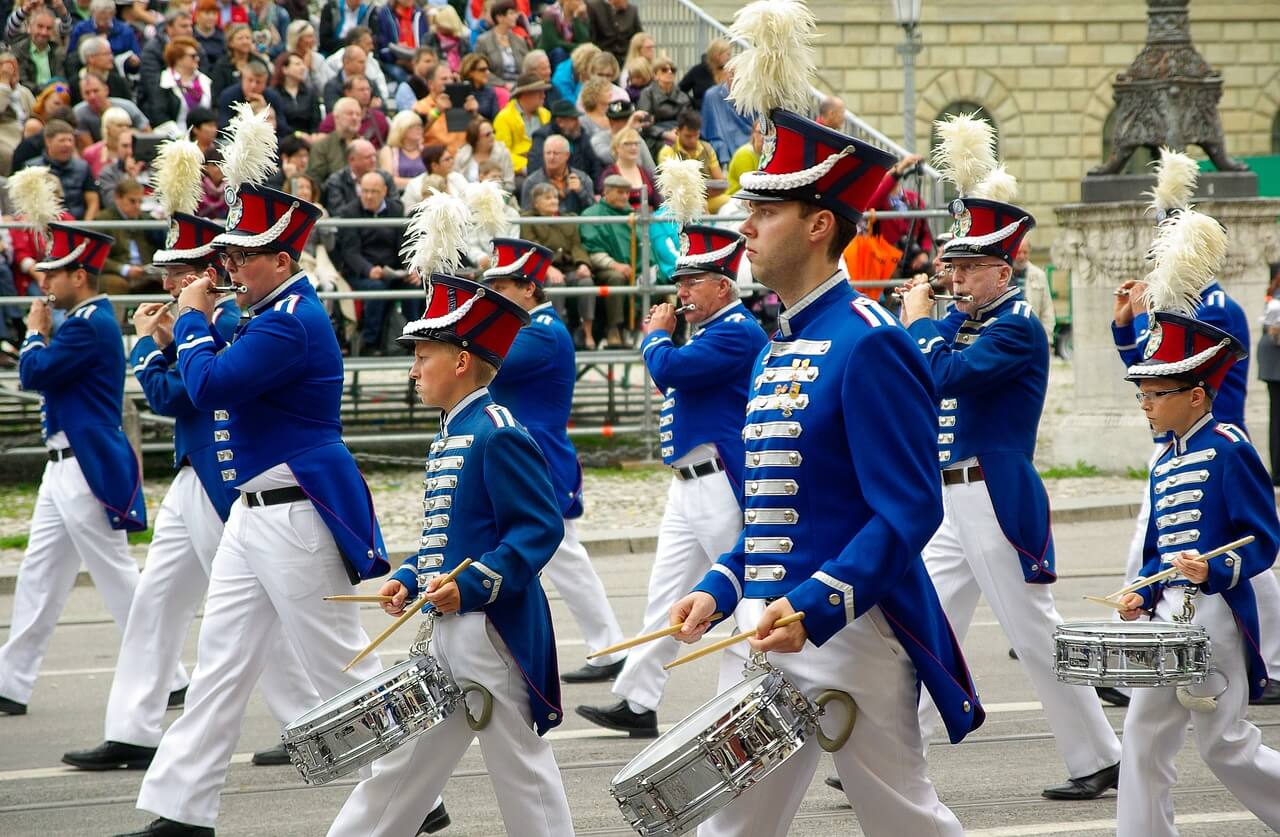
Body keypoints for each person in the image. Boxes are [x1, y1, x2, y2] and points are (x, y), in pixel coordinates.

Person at [667, 6, 984, 829]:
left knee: (905, 819)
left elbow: (909, 507)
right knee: (727, 824)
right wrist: (721, 581)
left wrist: (818, 600)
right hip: (765, 623)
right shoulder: (780, 341)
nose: (746, 226)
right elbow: (782, 506)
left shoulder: (870, 342)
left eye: (763, 212)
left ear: (817, 223)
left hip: (846, 631)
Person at [115, 106, 428, 837]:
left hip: (292, 511)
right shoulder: (269, 313)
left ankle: (417, 786)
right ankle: (181, 810)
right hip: (254, 514)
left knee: (338, 669)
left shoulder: (293, 319)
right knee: (219, 665)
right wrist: (191, 327)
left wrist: (189, 322)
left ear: (282, 261)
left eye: (242, 257)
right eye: (226, 256)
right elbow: (217, 367)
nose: (227, 267)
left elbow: (211, 387)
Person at [898, 122, 1122, 800]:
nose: (956, 278)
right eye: (953, 267)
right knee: (923, 624)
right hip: (952, 498)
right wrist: (933, 321)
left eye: (969, 269)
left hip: (993, 495)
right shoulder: (972, 322)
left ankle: (1097, 754)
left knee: (1034, 634)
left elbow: (942, 377)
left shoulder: (1018, 324)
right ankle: (897, 753)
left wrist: (919, 322)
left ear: (1004, 268)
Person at [61, 188, 317, 772]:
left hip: (219, 473)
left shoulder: (225, 316)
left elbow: (186, 395)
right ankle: (133, 726)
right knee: (158, 602)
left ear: (206, 272)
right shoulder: (206, 316)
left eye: (178, 273)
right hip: (193, 473)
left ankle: (305, 720)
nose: (168, 285)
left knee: (251, 611)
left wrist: (153, 351)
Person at [325, 263, 572, 837]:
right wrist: (412, 577)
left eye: (423, 356)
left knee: (522, 772)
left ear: (461, 361)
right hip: (446, 628)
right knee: (401, 766)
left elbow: (538, 529)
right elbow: (454, 535)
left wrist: (476, 582)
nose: (413, 369)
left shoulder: (498, 430)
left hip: (490, 630)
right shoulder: (454, 430)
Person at [577, 224, 767, 735]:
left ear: (723, 286)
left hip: (720, 479)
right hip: (688, 481)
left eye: (693, 281)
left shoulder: (737, 329)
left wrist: (656, 335)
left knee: (747, 590)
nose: (680, 292)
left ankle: (761, 693)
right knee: (666, 594)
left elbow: (670, 370)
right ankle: (638, 700)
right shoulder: (711, 329)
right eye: (680, 281)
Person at [1109, 148, 1280, 707]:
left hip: (1216, 439)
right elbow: (1149, 371)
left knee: (1244, 554)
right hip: (1178, 446)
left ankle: (1267, 658)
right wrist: (1125, 325)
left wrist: (1158, 315)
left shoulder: (1215, 308)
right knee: (1164, 548)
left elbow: (1180, 372)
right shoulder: (1179, 310)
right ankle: (1146, 645)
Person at [1116, 307, 1280, 837]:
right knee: (1142, 735)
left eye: (1156, 394)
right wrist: (1142, 590)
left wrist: (1213, 568)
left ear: (1194, 395)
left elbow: (1263, 538)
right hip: (1168, 614)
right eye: (1143, 394)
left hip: (1214, 615)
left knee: (1224, 743)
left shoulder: (1230, 448)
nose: (1146, 405)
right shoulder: (1163, 461)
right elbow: (1157, 548)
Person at [0, 205, 152, 719]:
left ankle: (164, 672)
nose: (46, 283)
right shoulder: (84, 320)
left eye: (54, 273)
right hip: (63, 465)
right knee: (39, 576)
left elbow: (34, 372)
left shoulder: (87, 324)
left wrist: (33, 331)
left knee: (115, 575)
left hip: (82, 466)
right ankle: (11, 682)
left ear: (79, 275)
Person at [481, 239, 629, 681]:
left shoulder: (541, 332)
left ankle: (610, 648)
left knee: (564, 555)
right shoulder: (527, 328)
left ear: (529, 288)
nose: (492, 295)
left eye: (501, 286)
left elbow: (487, 362)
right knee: (510, 552)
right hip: (517, 458)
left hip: (539, 459)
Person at [334, 170, 418, 354]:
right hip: (361, 272)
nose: (369, 196)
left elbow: (403, 245)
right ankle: (371, 343)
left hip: (393, 270)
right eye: (365, 191)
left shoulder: (396, 209)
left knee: (414, 287)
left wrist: (410, 269)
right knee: (376, 288)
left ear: (385, 191)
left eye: (374, 191)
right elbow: (350, 252)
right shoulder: (349, 212)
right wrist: (369, 270)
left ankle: (416, 339)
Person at [522, 182, 595, 344]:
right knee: (557, 284)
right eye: (548, 198)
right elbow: (531, 247)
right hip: (542, 271)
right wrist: (547, 268)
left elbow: (577, 245)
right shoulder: (528, 220)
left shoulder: (566, 219)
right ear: (536, 203)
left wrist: (583, 264)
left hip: (569, 267)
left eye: (555, 197)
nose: (554, 201)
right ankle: (557, 333)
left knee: (586, 282)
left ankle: (588, 333)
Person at [579, 174, 635, 348]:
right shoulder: (591, 214)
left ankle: (640, 330)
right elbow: (592, 251)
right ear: (607, 192)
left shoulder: (631, 217)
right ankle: (614, 329)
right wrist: (615, 265)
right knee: (616, 277)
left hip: (631, 269)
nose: (625, 197)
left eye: (627, 193)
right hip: (600, 269)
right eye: (620, 192)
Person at [95, 178, 156, 296]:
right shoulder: (103, 220)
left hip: (144, 271)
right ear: (117, 198)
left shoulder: (146, 219)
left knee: (164, 283)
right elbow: (96, 256)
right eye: (132, 201)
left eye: (140, 202)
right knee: (116, 284)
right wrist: (124, 269)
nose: (137, 206)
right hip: (116, 272)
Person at [657, 110, 727, 212]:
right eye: (688, 136)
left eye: (696, 135)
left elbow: (721, 184)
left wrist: (700, 195)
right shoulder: (667, 152)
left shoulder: (707, 148)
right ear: (677, 132)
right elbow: (671, 190)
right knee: (700, 207)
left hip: (708, 199)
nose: (693, 140)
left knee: (730, 203)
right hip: (679, 204)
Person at [31, 119, 99, 220]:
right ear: (48, 141)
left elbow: (93, 202)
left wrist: (87, 228)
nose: (67, 144)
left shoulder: (83, 167)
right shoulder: (32, 169)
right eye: (62, 140)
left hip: (78, 226)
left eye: (70, 140)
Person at [215, 54, 291, 136]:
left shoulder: (273, 97)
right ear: (242, 79)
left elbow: (282, 127)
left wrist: (265, 109)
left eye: (258, 82)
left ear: (265, 83)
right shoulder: (228, 95)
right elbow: (223, 126)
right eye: (250, 80)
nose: (253, 85)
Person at [149, 36, 212, 136]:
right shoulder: (164, 82)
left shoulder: (205, 81)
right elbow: (159, 115)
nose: (197, 59)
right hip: (173, 137)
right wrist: (180, 137)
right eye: (193, 56)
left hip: (204, 137)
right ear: (178, 58)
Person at [527, 99, 600, 183]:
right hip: (549, 189)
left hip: (581, 185)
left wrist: (594, 189)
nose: (578, 123)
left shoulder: (580, 135)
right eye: (574, 119)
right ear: (560, 122)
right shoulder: (542, 137)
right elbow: (535, 168)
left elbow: (595, 164)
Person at [493, 72, 550, 175]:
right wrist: (527, 165)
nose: (543, 96)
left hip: (548, 164)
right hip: (519, 171)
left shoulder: (546, 115)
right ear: (525, 94)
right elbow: (503, 153)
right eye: (539, 92)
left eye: (543, 92)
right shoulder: (504, 118)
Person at [519, 134, 593, 214]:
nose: (551, 157)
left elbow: (593, 211)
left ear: (567, 155)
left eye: (556, 153)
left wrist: (581, 191)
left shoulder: (583, 178)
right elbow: (526, 215)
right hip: (544, 225)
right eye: (548, 153)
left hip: (577, 225)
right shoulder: (532, 182)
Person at [635, 55, 689, 158]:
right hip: (654, 137)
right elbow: (645, 124)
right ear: (655, 75)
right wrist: (665, 134)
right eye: (664, 70)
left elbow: (686, 120)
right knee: (667, 149)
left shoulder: (682, 96)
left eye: (672, 70)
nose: (669, 72)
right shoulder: (647, 94)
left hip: (678, 134)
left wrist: (678, 132)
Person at [321, 137, 391, 214]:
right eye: (368, 157)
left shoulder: (385, 177)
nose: (373, 160)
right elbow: (338, 212)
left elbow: (396, 207)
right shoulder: (336, 181)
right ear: (351, 160)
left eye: (374, 156)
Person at [596, 126, 657, 210]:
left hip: (649, 221)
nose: (633, 147)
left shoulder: (647, 173)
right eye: (627, 144)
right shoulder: (609, 174)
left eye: (636, 143)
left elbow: (658, 203)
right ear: (617, 147)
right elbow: (606, 207)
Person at [473, 0, 528, 88]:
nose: (516, 16)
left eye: (515, 13)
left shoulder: (519, 40)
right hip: (495, 86)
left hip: (519, 86)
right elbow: (480, 70)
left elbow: (527, 67)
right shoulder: (483, 41)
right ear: (499, 17)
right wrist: (504, 85)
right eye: (511, 13)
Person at [307, 95, 361, 184]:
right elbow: (315, 181)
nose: (355, 118)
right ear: (336, 117)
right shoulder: (322, 146)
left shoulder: (366, 145)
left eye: (358, 114)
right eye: (350, 114)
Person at [1011, 238, 1056, 345]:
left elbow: (1047, 309)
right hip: (1009, 335)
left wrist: (1047, 339)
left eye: (1025, 252)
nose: (1022, 256)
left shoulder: (1039, 275)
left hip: (1032, 335)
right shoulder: (1002, 274)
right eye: (1018, 252)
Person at [13, 6, 67, 91]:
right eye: (40, 26)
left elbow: (62, 80)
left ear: (53, 31)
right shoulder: (18, 51)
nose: (44, 32)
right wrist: (47, 89)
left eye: (48, 28)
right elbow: (22, 84)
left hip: (55, 97)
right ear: (30, 27)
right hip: (29, 98)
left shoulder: (58, 52)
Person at [454, 116, 515, 190]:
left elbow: (509, 185)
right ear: (476, 138)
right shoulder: (462, 154)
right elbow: (454, 181)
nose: (493, 136)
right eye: (488, 134)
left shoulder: (503, 153)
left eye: (494, 132)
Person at [1259, 271, 1280, 486]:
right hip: (1275, 365)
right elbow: (1273, 329)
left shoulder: (1274, 294)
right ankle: (1277, 473)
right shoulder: (1277, 298)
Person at [270, 51, 321, 137]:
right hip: (284, 139)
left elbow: (316, 120)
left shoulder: (310, 92)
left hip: (309, 138)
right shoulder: (273, 94)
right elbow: (279, 122)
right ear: (284, 69)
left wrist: (313, 136)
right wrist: (298, 135)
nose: (303, 68)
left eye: (303, 64)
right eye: (298, 64)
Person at [378, 109, 426, 190]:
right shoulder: (388, 151)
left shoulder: (424, 150)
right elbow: (389, 180)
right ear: (401, 129)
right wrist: (418, 184)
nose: (419, 129)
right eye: (412, 126)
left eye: (420, 125)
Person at [677, 38, 729, 111]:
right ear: (716, 55)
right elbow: (680, 90)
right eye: (727, 54)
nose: (728, 58)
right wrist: (693, 102)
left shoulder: (730, 72)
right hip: (702, 114)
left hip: (725, 114)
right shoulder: (698, 71)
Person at [585, 0, 640, 66]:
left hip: (626, 60)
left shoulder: (632, 10)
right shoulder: (593, 7)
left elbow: (639, 36)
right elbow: (590, 37)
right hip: (602, 59)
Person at [537, 0, 590, 67]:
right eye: (577, 0)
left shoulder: (580, 14)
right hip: (550, 53)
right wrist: (579, 46)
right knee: (559, 52)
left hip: (571, 51)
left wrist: (576, 18)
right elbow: (553, 43)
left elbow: (584, 40)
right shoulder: (549, 14)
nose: (581, 3)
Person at [458, 52, 499, 119]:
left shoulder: (490, 91)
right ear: (469, 72)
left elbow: (496, 120)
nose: (488, 72)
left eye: (488, 69)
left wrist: (475, 113)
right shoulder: (458, 91)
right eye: (482, 70)